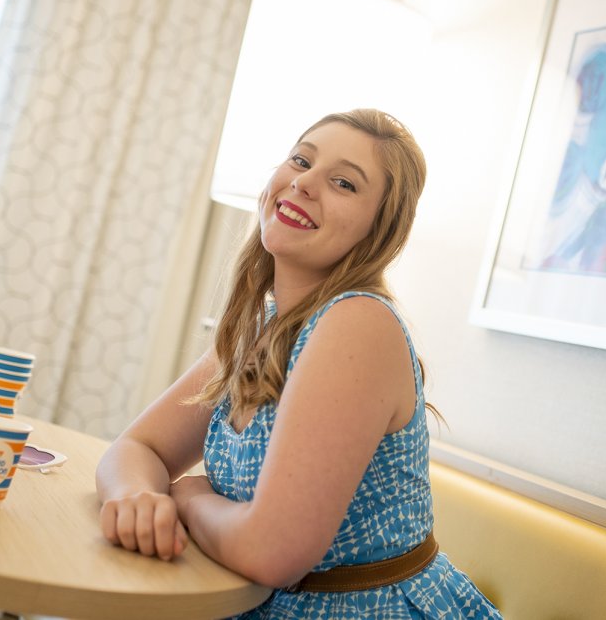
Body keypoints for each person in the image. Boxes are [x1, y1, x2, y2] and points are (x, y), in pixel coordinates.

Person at [96, 108, 501, 617]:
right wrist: (137, 497)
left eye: (343, 183)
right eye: (300, 160)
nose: (305, 182)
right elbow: (135, 447)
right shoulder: (262, 326)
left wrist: (190, 498)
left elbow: (272, 555)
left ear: (378, 231)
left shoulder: (359, 323)